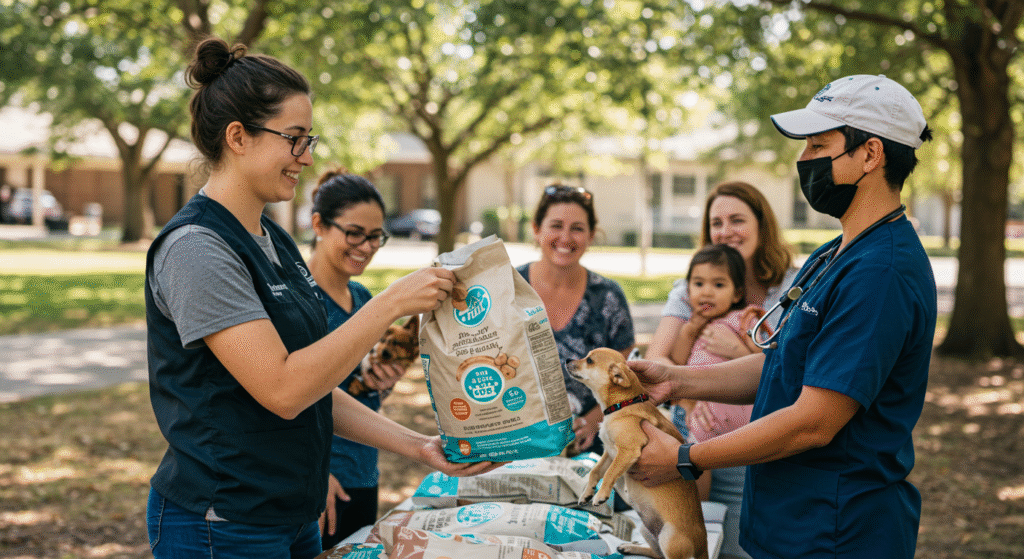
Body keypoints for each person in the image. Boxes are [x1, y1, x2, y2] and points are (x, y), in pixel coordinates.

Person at [145, 37, 496, 558]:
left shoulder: (275, 240)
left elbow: (314, 386)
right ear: (238, 137)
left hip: (291, 515)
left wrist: (418, 446)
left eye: (308, 140)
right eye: (294, 139)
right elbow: (284, 389)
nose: (307, 158)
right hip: (223, 524)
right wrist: (391, 303)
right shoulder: (197, 249)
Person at [629, 74, 936, 559]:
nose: (804, 159)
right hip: (789, 523)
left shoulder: (881, 272)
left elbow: (814, 421)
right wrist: (677, 379)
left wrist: (685, 457)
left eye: (818, 145)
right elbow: (782, 365)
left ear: (871, 154)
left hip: (836, 533)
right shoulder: (835, 253)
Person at [645, 181, 796, 559]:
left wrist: (738, 351)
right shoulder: (693, 289)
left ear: (762, 225)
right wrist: (689, 398)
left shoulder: (790, 288)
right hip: (702, 435)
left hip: (766, 443)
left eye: (737, 220)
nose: (726, 231)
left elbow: (795, 370)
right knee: (701, 538)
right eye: (716, 222)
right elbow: (658, 358)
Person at [305, 171, 407, 549]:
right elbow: (285, 394)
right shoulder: (298, 301)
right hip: (320, 481)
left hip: (363, 472)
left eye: (376, 236)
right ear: (319, 225)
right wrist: (313, 473)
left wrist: (384, 381)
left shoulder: (364, 299)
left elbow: (359, 393)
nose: (366, 246)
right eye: (354, 233)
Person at [515, 184, 635, 455]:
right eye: (556, 225)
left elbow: (626, 375)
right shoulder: (508, 288)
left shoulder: (608, 296)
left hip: (590, 448)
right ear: (536, 229)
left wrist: (593, 421)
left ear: (591, 235)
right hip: (515, 443)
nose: (566, 237)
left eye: (577, 228)